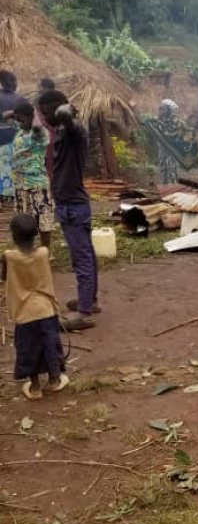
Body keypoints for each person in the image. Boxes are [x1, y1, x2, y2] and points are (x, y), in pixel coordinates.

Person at [37, 88, 99, 329]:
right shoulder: (64, 131)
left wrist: (64, 109)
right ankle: (90, 301)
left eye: (45, 112)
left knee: (81, 257)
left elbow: (65, 116)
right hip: (69, 204)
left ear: (57, 109)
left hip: (73, 205)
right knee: (86, 255)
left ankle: (84, 313)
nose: (43, 117)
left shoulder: (74, 130)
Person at [1, 212, 69, 400]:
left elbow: (4, 277)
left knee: (28, 348)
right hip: (46, 309)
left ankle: (35, 388)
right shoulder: (44, 253)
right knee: (50, 345)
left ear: (13, 236)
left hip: (24, 313)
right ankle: (55, 380)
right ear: (35, 235)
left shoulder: (8, 257)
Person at [8, 101, 53, 247]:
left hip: (37, 184)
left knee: (43, 219)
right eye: (17, 120)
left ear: (31, 117)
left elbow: (37, 127)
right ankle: (27, 250)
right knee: (24, 221)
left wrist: (33, 114)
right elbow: (8, 118)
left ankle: (46, 252)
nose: (19, 123)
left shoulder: (39, 134)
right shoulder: (21, 132)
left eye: (22, 119)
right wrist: (15, 115)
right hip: (20, 184)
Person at [144, 98, 198, 184]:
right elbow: (146, 123)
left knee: (172, 173)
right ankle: (166, 191)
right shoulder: (158, 123)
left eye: (163, 109)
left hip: (173, 155)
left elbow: (189, 136)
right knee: (163, 173)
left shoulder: (179, 124)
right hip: (162, 153)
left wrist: (185, 147)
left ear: (169, 111)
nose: (160, 110)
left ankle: (172, 191)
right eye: (159, 108)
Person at [0, 69, 26, 203]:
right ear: (14, 83)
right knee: (13, 166)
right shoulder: (21, 100)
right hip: (17, 139)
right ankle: (11, 195)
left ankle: (4, 195)